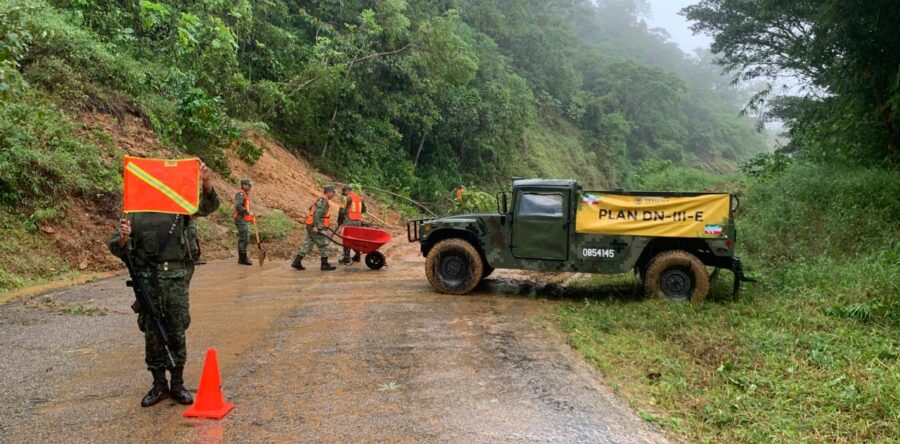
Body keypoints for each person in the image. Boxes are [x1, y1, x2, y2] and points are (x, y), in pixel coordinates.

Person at [108, 162, 220, 407]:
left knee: (177, 329)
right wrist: (125, 237)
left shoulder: (179, 206)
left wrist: (206, 181)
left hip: (176, 279)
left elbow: (209, 206)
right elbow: (116, 246)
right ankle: (158, 384)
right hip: (147, 281)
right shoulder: (135, 211)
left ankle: (177, 383)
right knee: (152, 332)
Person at [291, 185, 337, 271]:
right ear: (329, 192)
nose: (334, 195)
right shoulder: (323, 201)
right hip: (315, 226)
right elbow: (317, 215)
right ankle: (325, 265)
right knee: (324, 244)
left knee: (308, 243)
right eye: (334, 193)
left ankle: (296, 262)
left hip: (310, 224)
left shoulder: (319, 199)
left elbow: (311, 209)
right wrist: (316, 226)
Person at [338, 185, 367, 265]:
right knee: (356, 238)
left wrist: (339, 221)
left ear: (346, 191)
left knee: (346, 238)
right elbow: (364, 210)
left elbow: (342, 211)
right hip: (357, 221)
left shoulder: (346, 198)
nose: (344, 195)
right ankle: (357, 255)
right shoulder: (360, 198)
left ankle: (346, 257)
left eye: (344, 193)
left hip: (349, 221)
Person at [233, 178, 255, 266]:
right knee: (244, 238)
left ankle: (243, 258)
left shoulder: (245, 194)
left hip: (243, 218)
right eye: (249, 185)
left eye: (251, 185)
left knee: (245, 237)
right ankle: (242, 259)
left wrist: (249, 215)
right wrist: (247, 212)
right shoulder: (241, 194)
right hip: (240, 218)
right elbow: (238, 206)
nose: (250, 186)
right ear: (244, 185)